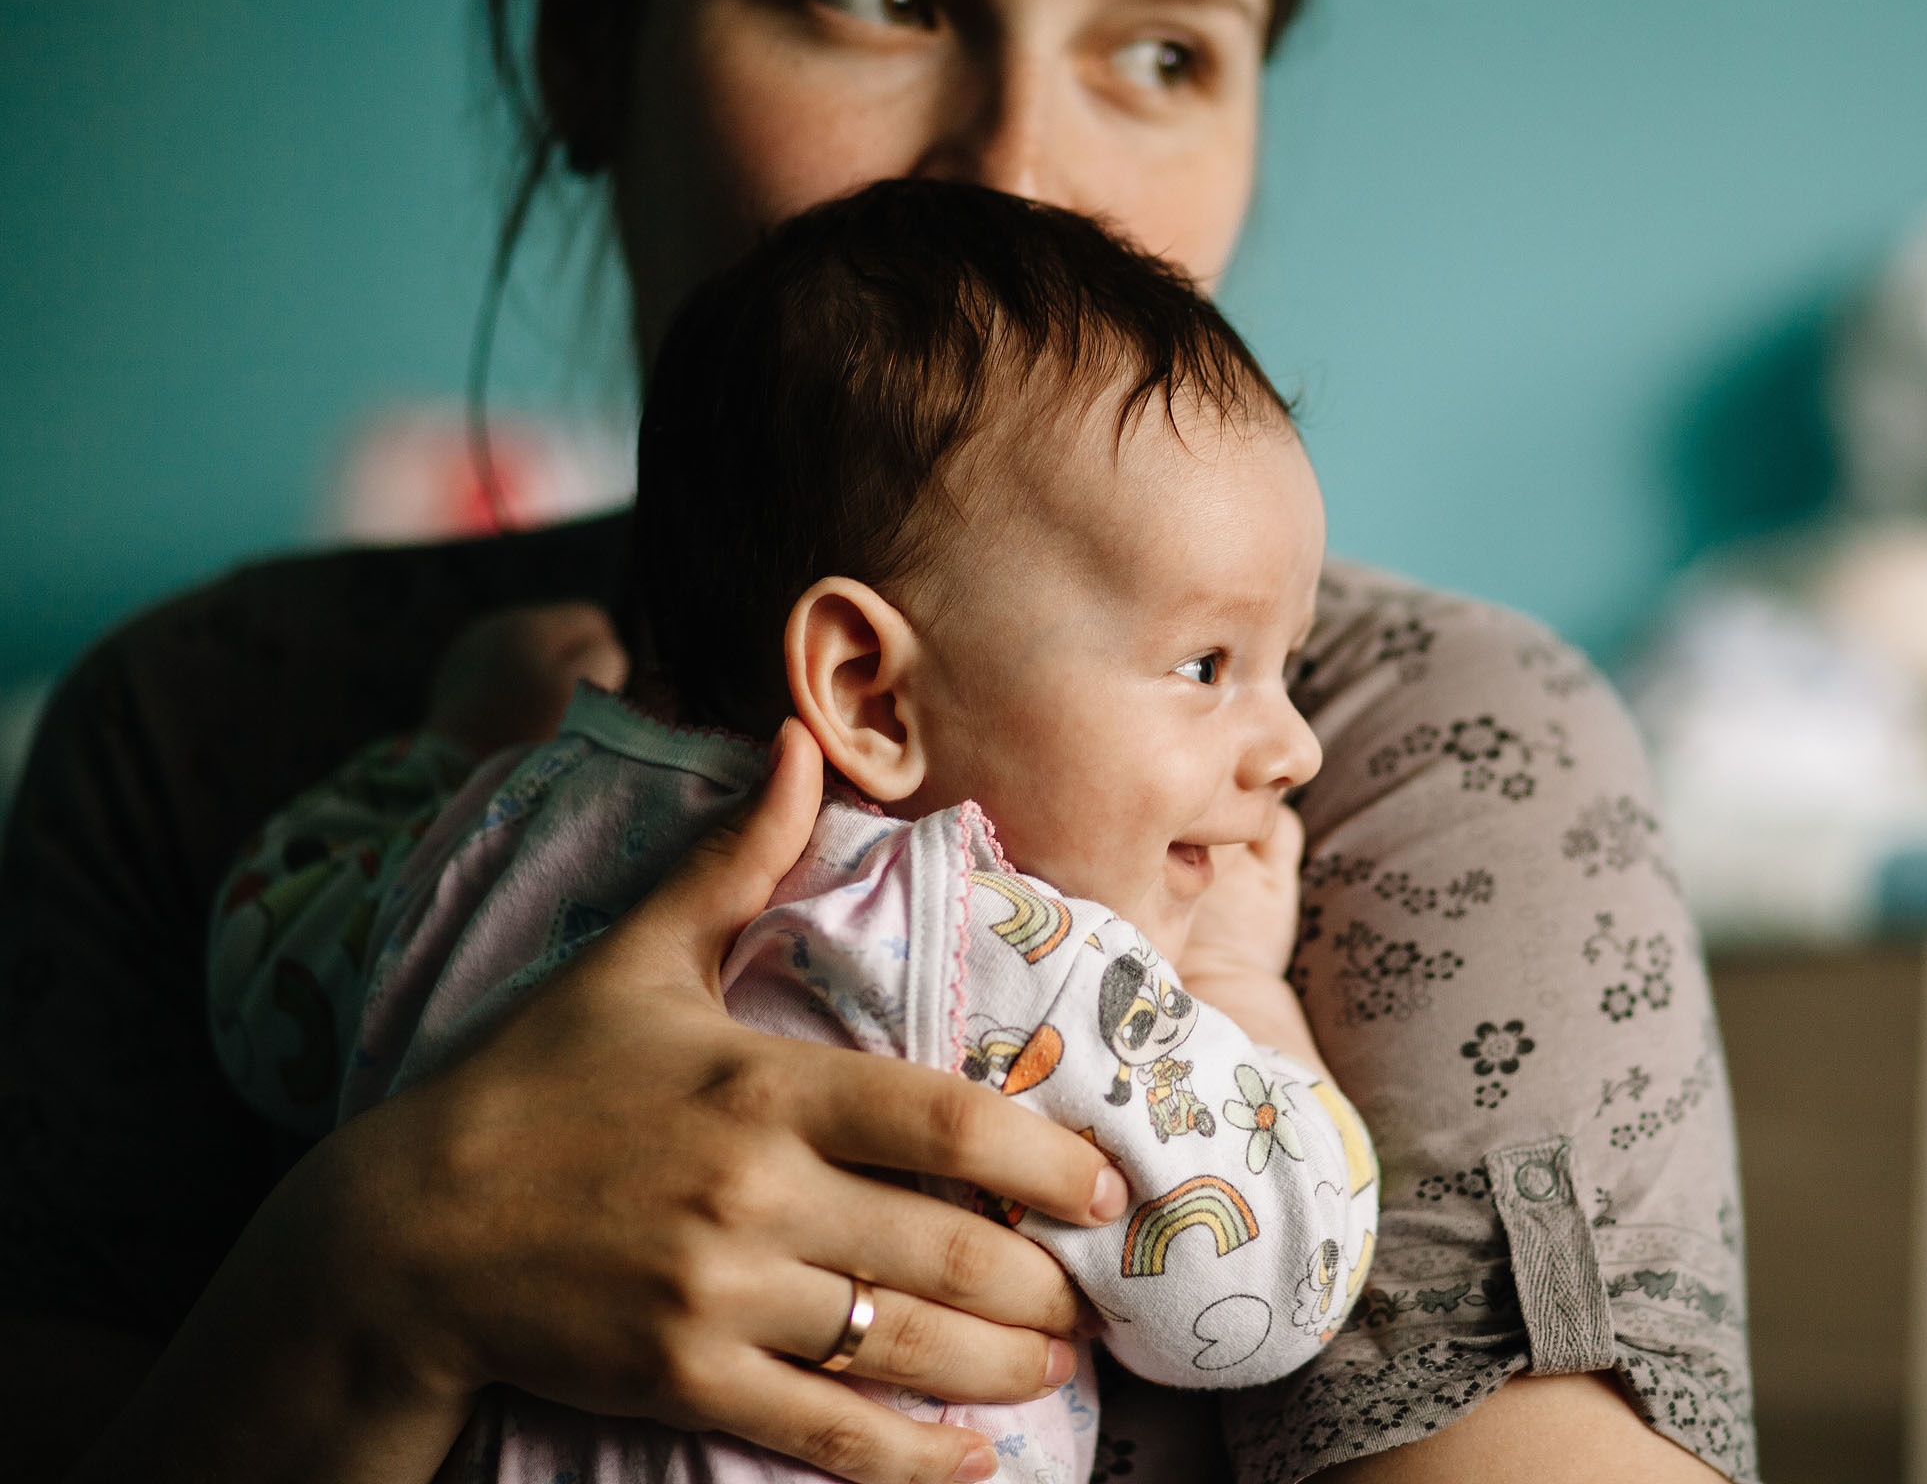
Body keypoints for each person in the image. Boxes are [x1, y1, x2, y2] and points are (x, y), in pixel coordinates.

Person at [0, 0, 1755, 1481]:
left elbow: (291, 969)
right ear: (587, 44)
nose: (1020, 172)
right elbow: (1262, 1263)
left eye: (1162, 50)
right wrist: (371, 1275)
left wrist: (452, 775)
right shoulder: (194, 721)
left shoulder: (1430, 748)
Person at [206, 181, 1381, 1483]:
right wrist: (1236, 985)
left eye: (1287, 665)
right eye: (1208, 664)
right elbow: (1269, 1285)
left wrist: (440, 752)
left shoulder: (500, 823)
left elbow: (265, 996)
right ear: (871, 692)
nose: (1295, 747)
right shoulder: (994, 946)